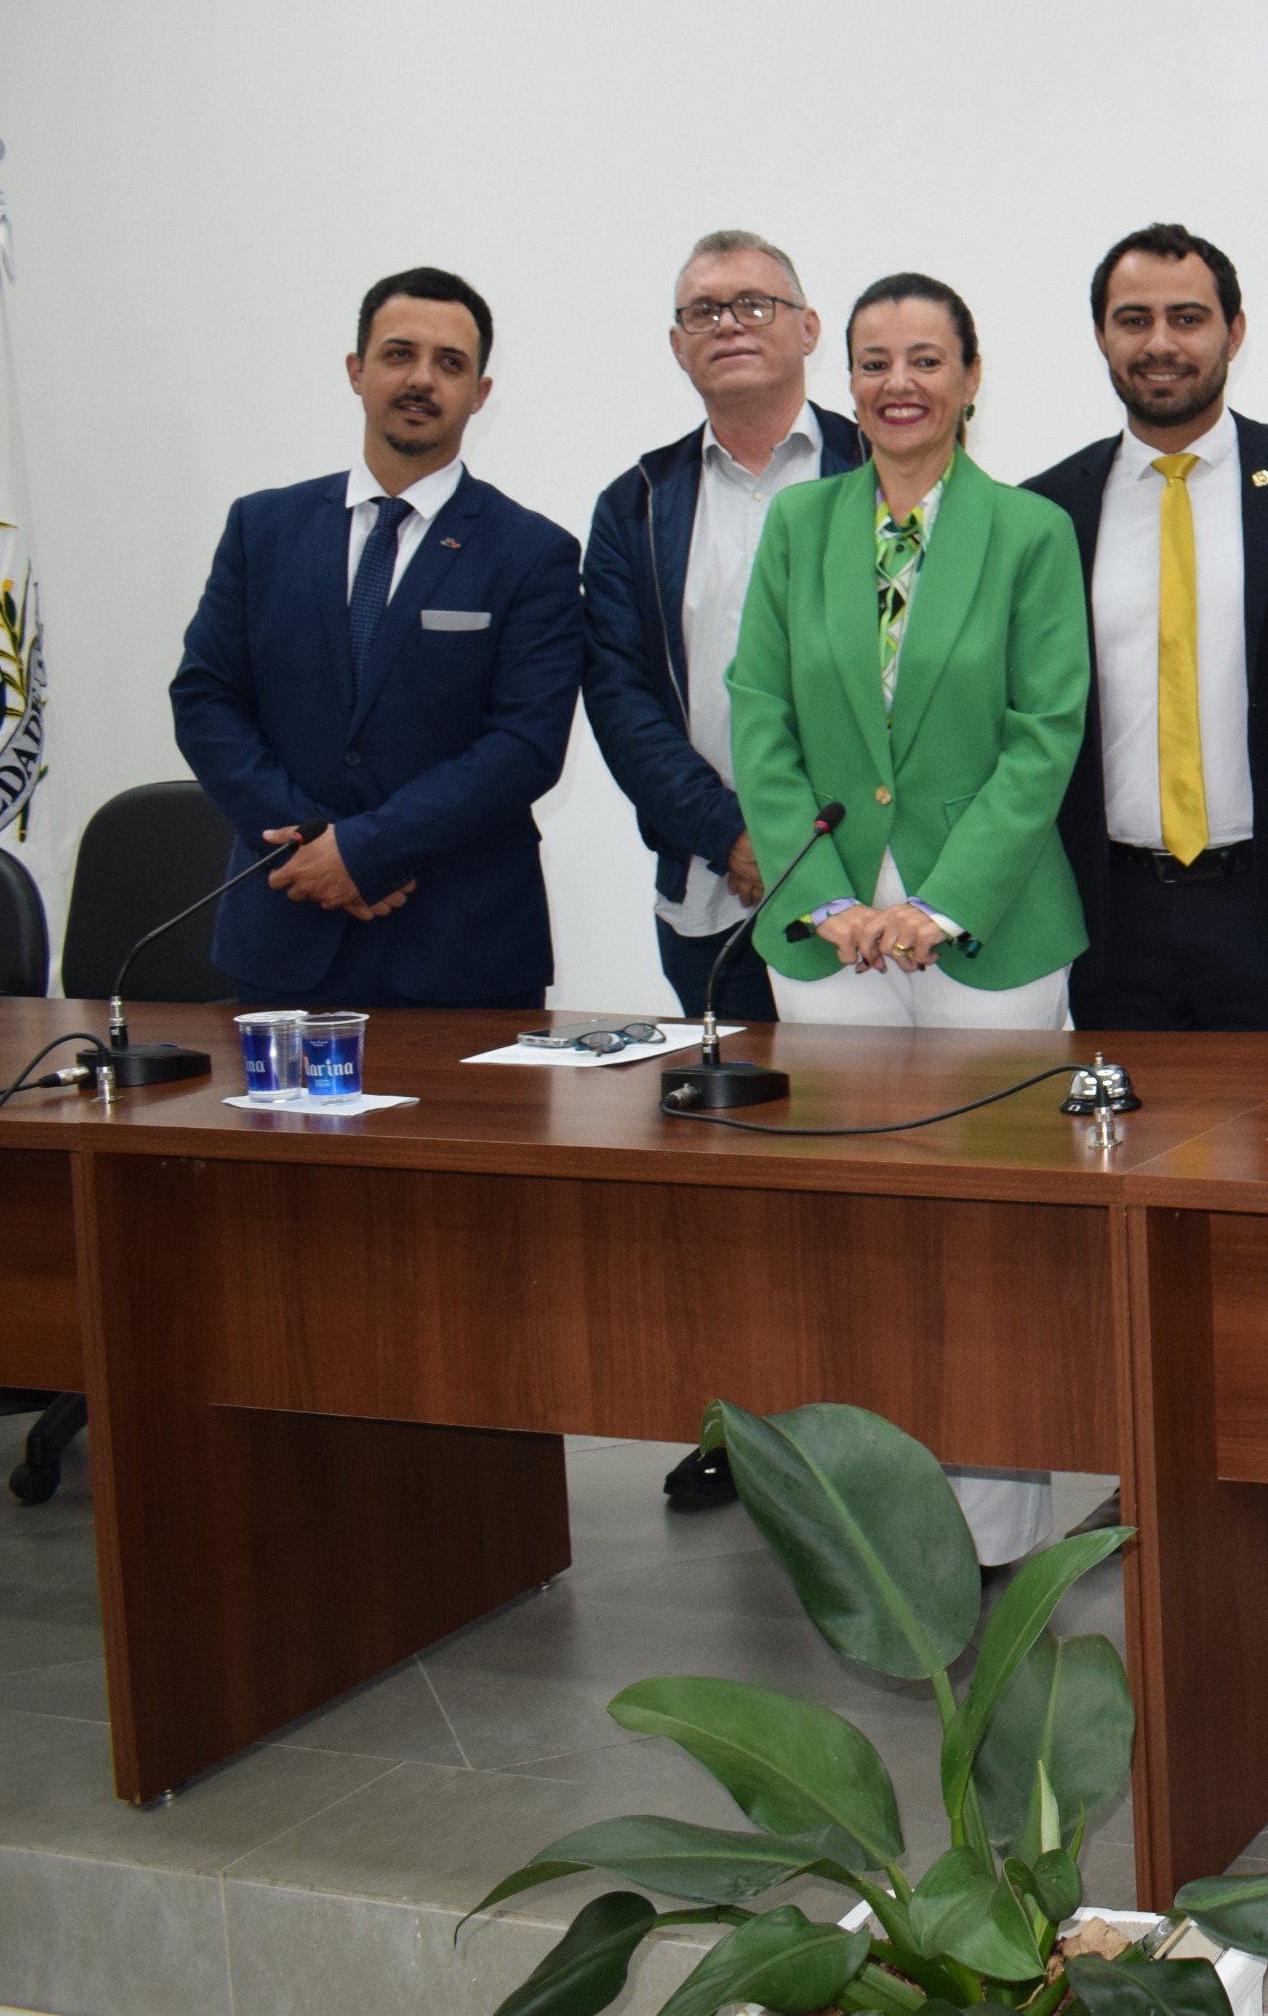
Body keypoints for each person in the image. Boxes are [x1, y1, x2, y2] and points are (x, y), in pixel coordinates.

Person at [730, 271, 1091, 1567]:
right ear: (849, 377)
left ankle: (991, 1536)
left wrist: (941, 902)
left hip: (986, 932)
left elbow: (1048, 731)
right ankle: (862, 1524)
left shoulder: (1031, 531)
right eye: (876, 358)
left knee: (989, 1230)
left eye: (927, 357)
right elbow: (758, 713)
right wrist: (826, 894)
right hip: (825, 939)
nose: (899, 382)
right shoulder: (798, 528)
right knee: (854, 1231)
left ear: (972, 376)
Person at [581, 229, 861, 1515]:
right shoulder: (636, 504)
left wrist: (817, 851)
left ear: (809, 329)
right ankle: (748, 1428)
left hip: (871, 894)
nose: (729, 322)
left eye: (757, 302)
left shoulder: (897, 460)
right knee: (734, 1177)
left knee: (868, 1172)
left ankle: (883, 1430)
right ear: (678, 342)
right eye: (703, 308)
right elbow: (625, 698)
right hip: (714, 890)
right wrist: (730, 836)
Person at [170, 268, 585, 1011]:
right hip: (285, 931)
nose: (422, 378)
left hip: (463, 953)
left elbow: (526, 744)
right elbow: (206, 700)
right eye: (399, 354)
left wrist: (364, 852)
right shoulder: (261, 530)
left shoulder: (533, 552)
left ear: (481, 393)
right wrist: (310, 847)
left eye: (450, 363)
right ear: (356, 371)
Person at [1020, 225, 1268, 1033]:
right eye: (1133, 319)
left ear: (1235, 330)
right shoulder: (1047, 509)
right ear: (1101, 335)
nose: (1160, 342)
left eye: (1188, 318)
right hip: (1110, 915)